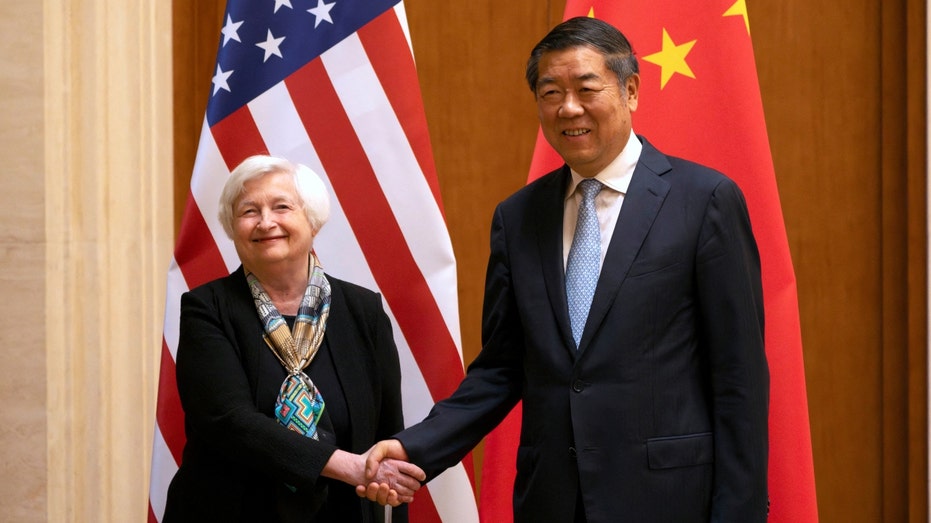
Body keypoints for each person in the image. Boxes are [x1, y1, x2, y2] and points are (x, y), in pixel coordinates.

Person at [360, 16, 769, 522]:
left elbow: (739, 376)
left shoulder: (703, 200)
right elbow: (502, 367)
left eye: (586, 88)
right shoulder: (518, 217)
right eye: (551, 92)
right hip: (552, 498)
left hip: (669, 498)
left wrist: (740, 512)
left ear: (631, 90)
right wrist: (415, 448)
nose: (568, 108)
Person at [163, 155, 426, 522]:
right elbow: (229, 420)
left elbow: (387, 432)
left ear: (313, 220)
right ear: (233, 227)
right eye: (248, 211)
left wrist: (389, 487)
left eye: (281, 207)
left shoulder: (362, 310)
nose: (266, 222)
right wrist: (350, 466)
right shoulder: (206, 308)